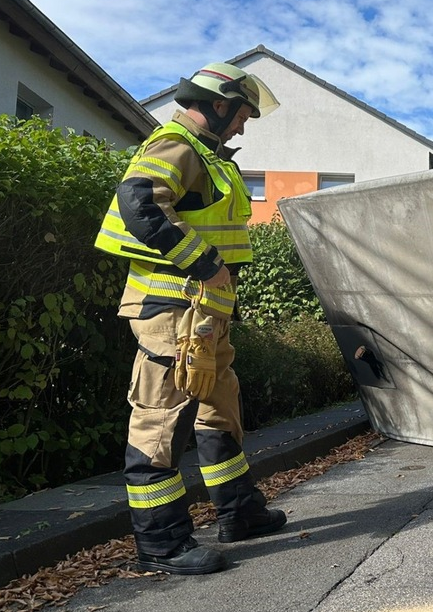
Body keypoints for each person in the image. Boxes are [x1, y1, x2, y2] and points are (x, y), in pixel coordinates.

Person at [94, 63, 287, 575]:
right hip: (171, 309)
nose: (244, 126)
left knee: (219, 408)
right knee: (160, 422)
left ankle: (239, 513)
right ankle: (162, 545)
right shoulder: (175, 143)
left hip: (201, 316)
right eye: (242, 114)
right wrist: (206, 264)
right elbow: (139, 204)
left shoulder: (207, 155)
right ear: (219, 104)